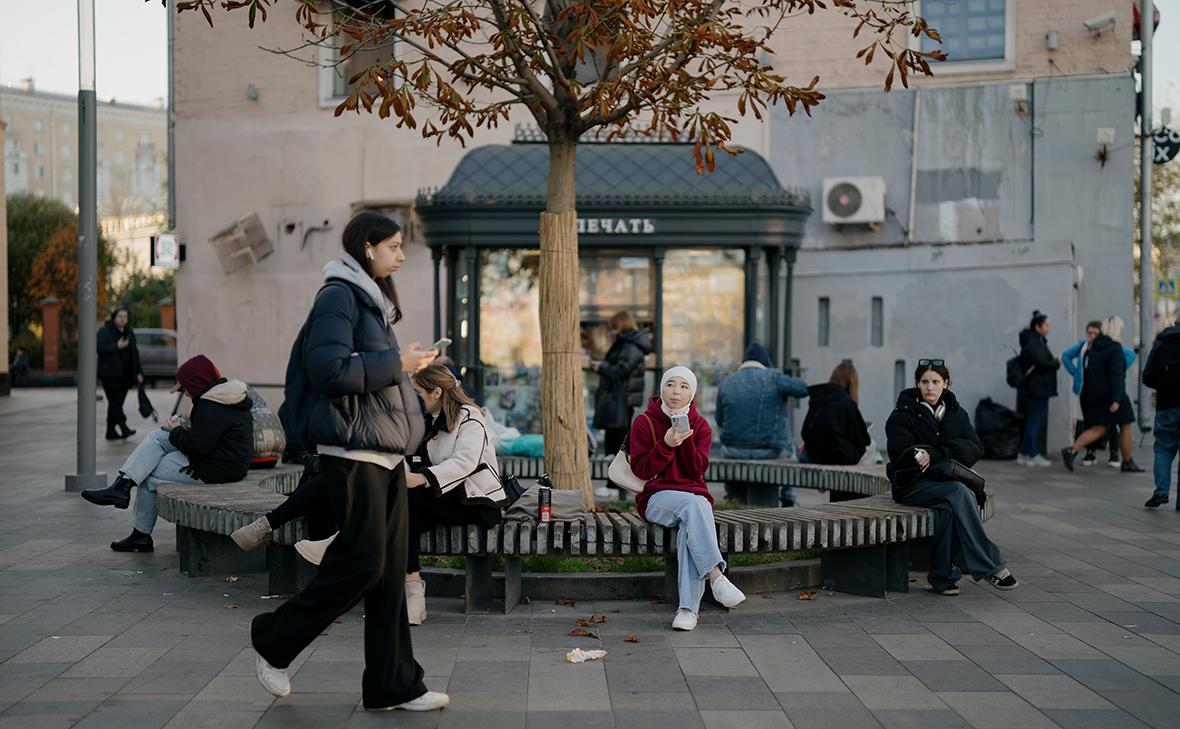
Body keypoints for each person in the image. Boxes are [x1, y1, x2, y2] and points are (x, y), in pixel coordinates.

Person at [246, 212, 446, 712]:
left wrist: (406, 362)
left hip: (384, 453)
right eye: (394, 246)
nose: (401, 255)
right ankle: (274, 641)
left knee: (388, 570)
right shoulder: (338, 295)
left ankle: (393, 685)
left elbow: (365, 371)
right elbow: (328, 370)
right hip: (351, 453)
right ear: (368, 247)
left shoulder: (370, 301)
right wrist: (396, 364)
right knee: (363, 562)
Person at [262, 365, 507, 627]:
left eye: (417, 392)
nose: (411, 398)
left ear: (436, 392)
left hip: (473, 499)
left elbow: (465, 463)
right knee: (403, 517)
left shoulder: (470, 417)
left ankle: (341, 544)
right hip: (438, 498)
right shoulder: (430, 419)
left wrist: (421, 478)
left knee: (401, 500)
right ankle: (413, 594)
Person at [80, 354, 253, 553]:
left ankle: (140, 535)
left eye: (185, 388)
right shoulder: (223, 395)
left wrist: (177, 429)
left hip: (215, 468)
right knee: (157, 437)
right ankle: (122, 485)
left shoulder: (211, 405)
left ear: (196, 382)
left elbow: (199, 447)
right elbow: (209, 437)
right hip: (225, 461)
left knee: (149, 476)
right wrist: (177, 430)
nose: (185, 394)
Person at [886, 359, 1018, 595]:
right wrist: (927, 455)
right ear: (917, 383)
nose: (930, 387)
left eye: (936, 381)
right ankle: (990, 565)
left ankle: (942, 577)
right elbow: (900, 453)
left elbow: (975, 448)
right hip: (912, 485)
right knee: (959, 492)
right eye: (924, 381)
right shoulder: (902, 414)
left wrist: (937, 454)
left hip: (944, 484)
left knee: (950, 509)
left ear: (946, 384)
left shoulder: (956, 413)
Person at [630, 366, 746, 631]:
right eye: (671, 385)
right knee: (694, 505)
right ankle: (716, 576)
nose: (676, 392)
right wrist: (666, 444)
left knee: (688, 528)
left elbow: (696, 471)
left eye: (684, 387)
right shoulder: (644, 422)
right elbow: (641, 470)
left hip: (692, 500)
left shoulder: (702, 426)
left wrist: (684, 439)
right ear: (662, 388)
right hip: (656, 498)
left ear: (692, 393)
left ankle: (687, 610)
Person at [715, 342, 808, 506]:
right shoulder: (774, 377)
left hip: (732, 451)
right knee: (789, 444)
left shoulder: (727, 382)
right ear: (765, 363)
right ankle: (788, 498)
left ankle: (732, 497)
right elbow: (803, 388)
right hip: (768, 451)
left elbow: (719, 419)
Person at [1060, 315, 1145, 473]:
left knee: (1099, 428)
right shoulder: (1115, 348)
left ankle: (1071, 451)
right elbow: (1116, 375)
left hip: (1096, 394)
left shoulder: (1094, 347)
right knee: (1126, 425)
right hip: (1114, 394)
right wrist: (1116, 399)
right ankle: (1127, 462)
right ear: (1117, 330)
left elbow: (1091, 372)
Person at [591, 311, 654, 457]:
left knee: (618, 444)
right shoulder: (626, 344)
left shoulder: (630, 346)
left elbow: (620, 371)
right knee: (615, 443)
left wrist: (601, 367)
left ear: (621, 326)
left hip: (621, 400)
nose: (612, 331)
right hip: (618, 400)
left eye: (614, 327)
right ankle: (613, 478)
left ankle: (616, 479)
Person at [801, 361, 871, 466]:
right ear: (851, 383)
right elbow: (862, 439)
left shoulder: (818, 397)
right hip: (841, 457)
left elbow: (804, 432)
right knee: (871, 447)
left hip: (813, 456)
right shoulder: (847, 402)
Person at [1143, 318, 1180, 508]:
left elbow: (1147, 376)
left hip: (1166, 405)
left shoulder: (1161, 343)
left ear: (1175, 323)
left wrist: (1164, 385)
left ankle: (1161, 491)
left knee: (1163, 447)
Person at [1016, 310, 1059, 467]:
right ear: (1037, 326)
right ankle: (1032, 453)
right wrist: (1057, 363)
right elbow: (1042, 364)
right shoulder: (1034, 342)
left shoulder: (1035, 340)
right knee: (1035, 420)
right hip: (1038, 387)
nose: (1048, 328)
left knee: (1034, 419)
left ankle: (1024, 453)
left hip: (1038, 387)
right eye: (1046, 325)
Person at [97, 307, 144, 440]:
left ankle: (110, 431)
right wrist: (116, 346)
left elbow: (135, 353)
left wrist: (139, 372)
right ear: (114, 318)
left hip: (126, 375)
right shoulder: (105, 331)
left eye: (125, 316)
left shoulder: (129, 332)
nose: (123, 319)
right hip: (110, 375)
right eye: (120, 316)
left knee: (116, 403)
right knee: (115, 402)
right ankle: (123, 427)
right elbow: (99, 348)